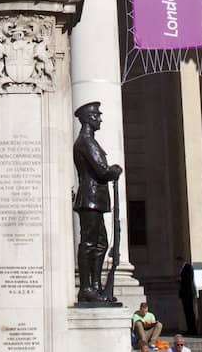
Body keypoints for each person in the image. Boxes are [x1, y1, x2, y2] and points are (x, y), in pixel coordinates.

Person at [73, 101, 123, 303]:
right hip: (90, 199)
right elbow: (102, 170)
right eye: (96, 116)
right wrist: (115, 170)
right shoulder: (86, 142)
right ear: (87, 118)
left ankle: (95, 286)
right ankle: (86, 287)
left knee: (100, 243)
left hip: (95, 200)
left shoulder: (90, 141)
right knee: (89, 243)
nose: (100, 119)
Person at [177, 256, 199, 334]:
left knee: (190, 312)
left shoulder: (188, 267)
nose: (177, 264)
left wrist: (181, 280)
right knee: (187, 312)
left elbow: (189, 279)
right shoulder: (183, 268)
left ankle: (193, 329)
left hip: (188, 293)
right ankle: (190, 328)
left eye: (178, 262)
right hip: (184, 293)